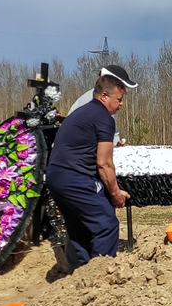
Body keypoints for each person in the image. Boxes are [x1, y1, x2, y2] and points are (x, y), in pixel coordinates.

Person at [46, 65, 138, 270]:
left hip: (55, 176)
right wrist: (115, 194)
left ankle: (78, 276)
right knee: (107, 225)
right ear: (104, 96)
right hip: (74, 177)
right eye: (119, 99)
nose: (121, 104)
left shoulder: (81, 113)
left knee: (79, 229)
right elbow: (104, 163)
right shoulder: (103, 118)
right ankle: (99, 279)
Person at [67, 65, 132, 144]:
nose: (121, 103)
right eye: (121, 85)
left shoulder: (106, 100)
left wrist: (117, 143)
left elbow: (111, 131)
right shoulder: (96, 101)